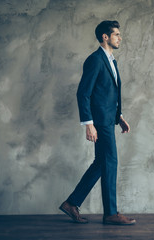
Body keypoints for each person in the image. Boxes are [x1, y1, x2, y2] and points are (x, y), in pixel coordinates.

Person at [59, 20, 136, 225]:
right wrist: (88, 124)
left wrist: (118, 117)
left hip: (108, 119)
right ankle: (111, 213)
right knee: (110, 161)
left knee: (101, 163)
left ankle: (71, 203)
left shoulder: (112, 61)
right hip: (99, 122)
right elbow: (84, 93)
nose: (120, 38)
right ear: (105, 36)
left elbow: (106, 95)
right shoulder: (95, 60)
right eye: (116, 34)